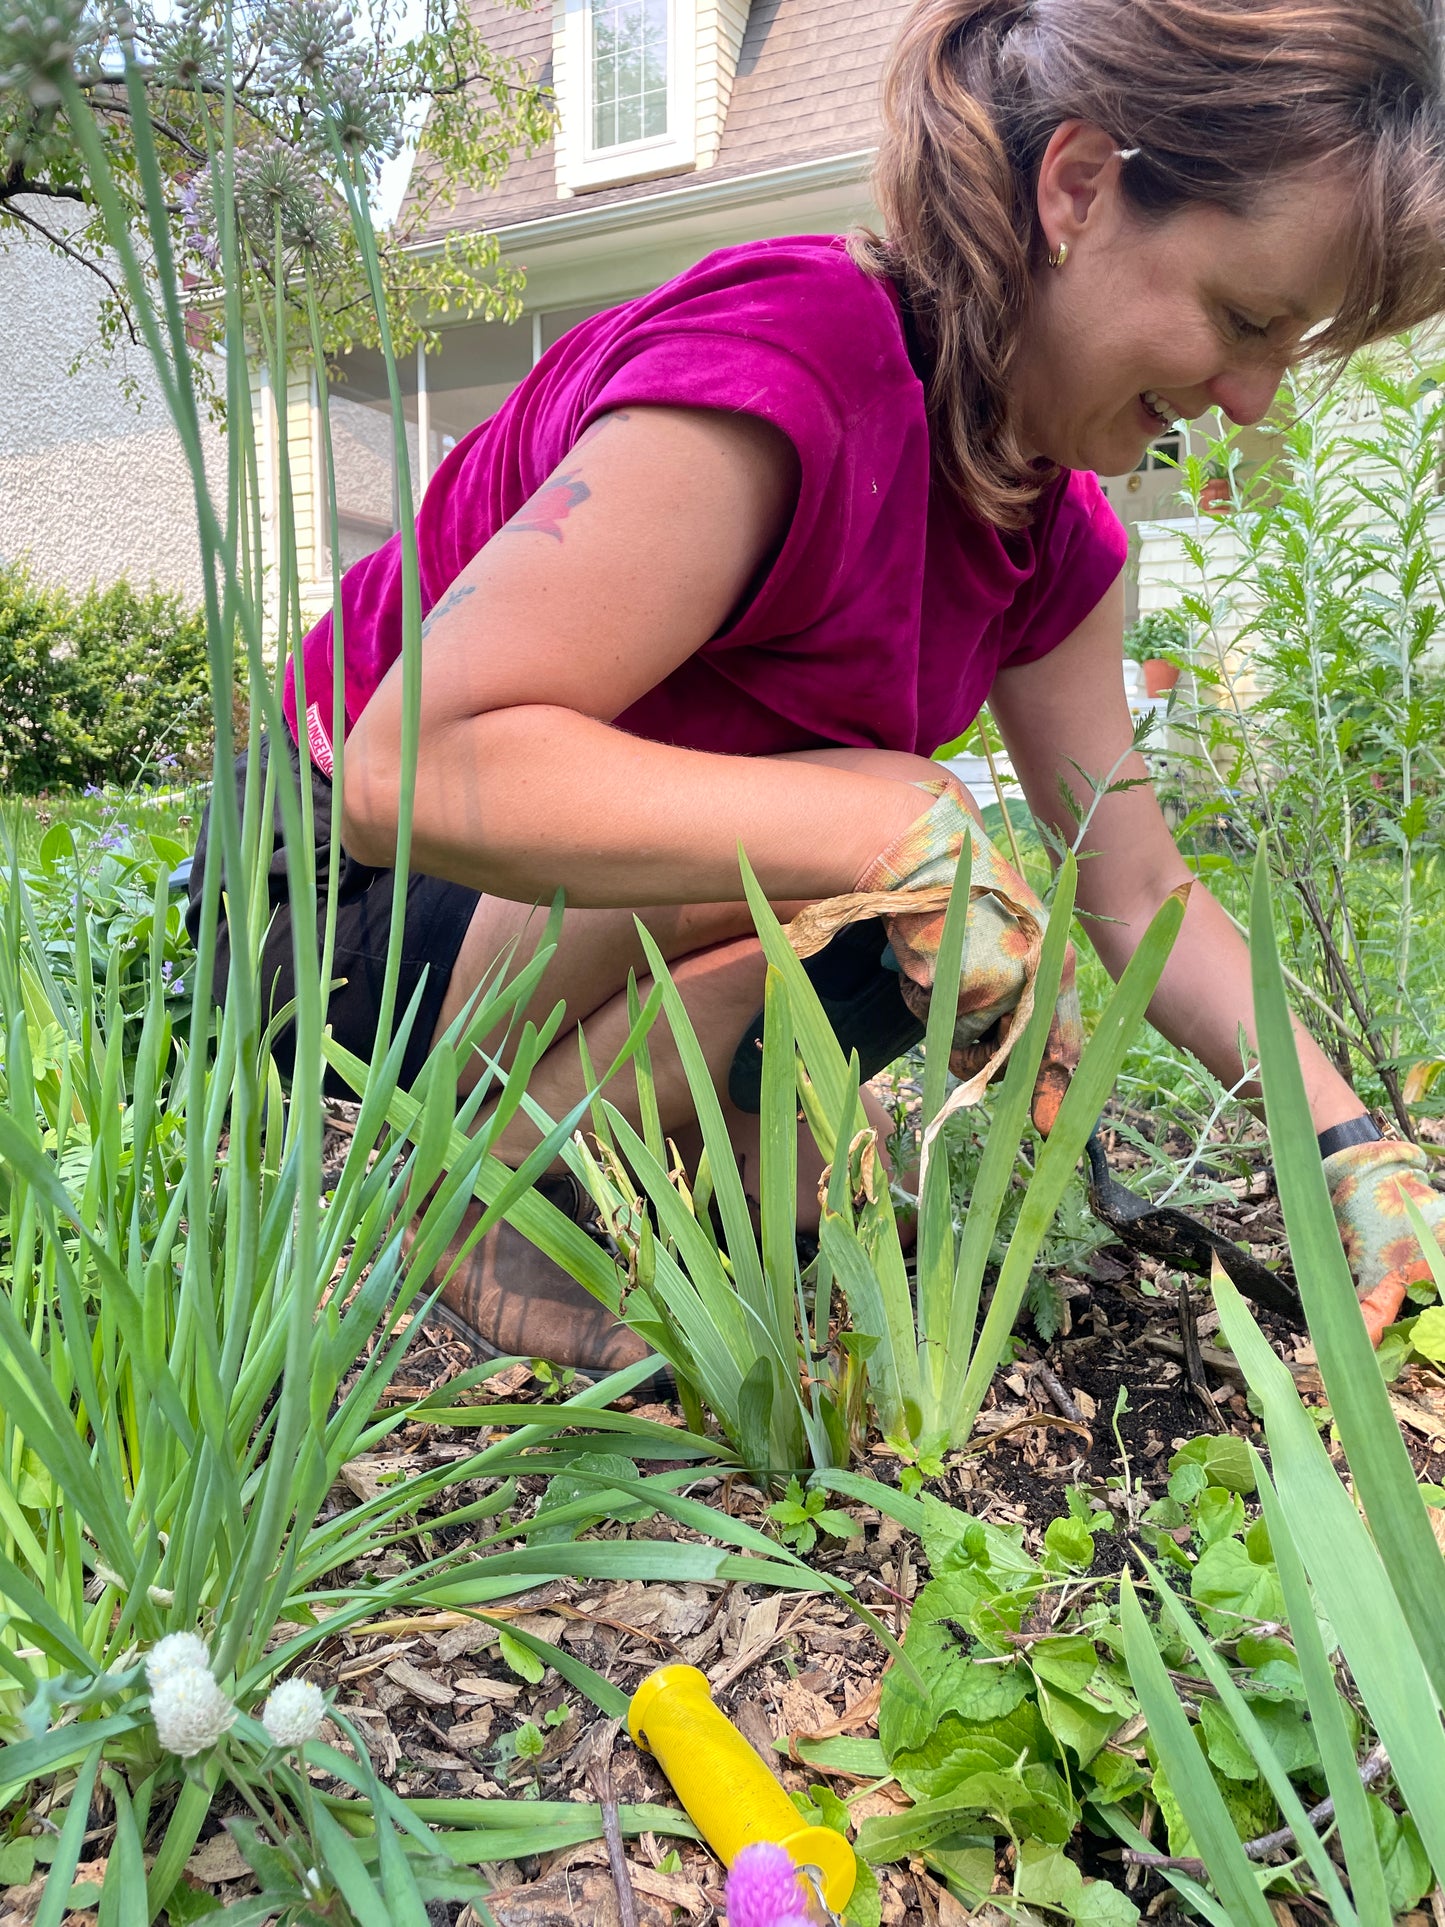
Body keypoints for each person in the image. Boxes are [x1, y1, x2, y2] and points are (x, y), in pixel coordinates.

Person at [194, 0, 1445, 1372]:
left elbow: (1134, 887)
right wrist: (891, 833)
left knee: (865, 961)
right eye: (1244, 317)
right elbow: (404, 775)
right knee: (895, 825)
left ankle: (568, 1182)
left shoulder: (1054, 533)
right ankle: (458, 1188)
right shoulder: (788, 357)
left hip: (532, 940)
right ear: (1078, 188)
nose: (1257, 395)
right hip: (327, 922)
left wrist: (1351, 1150)